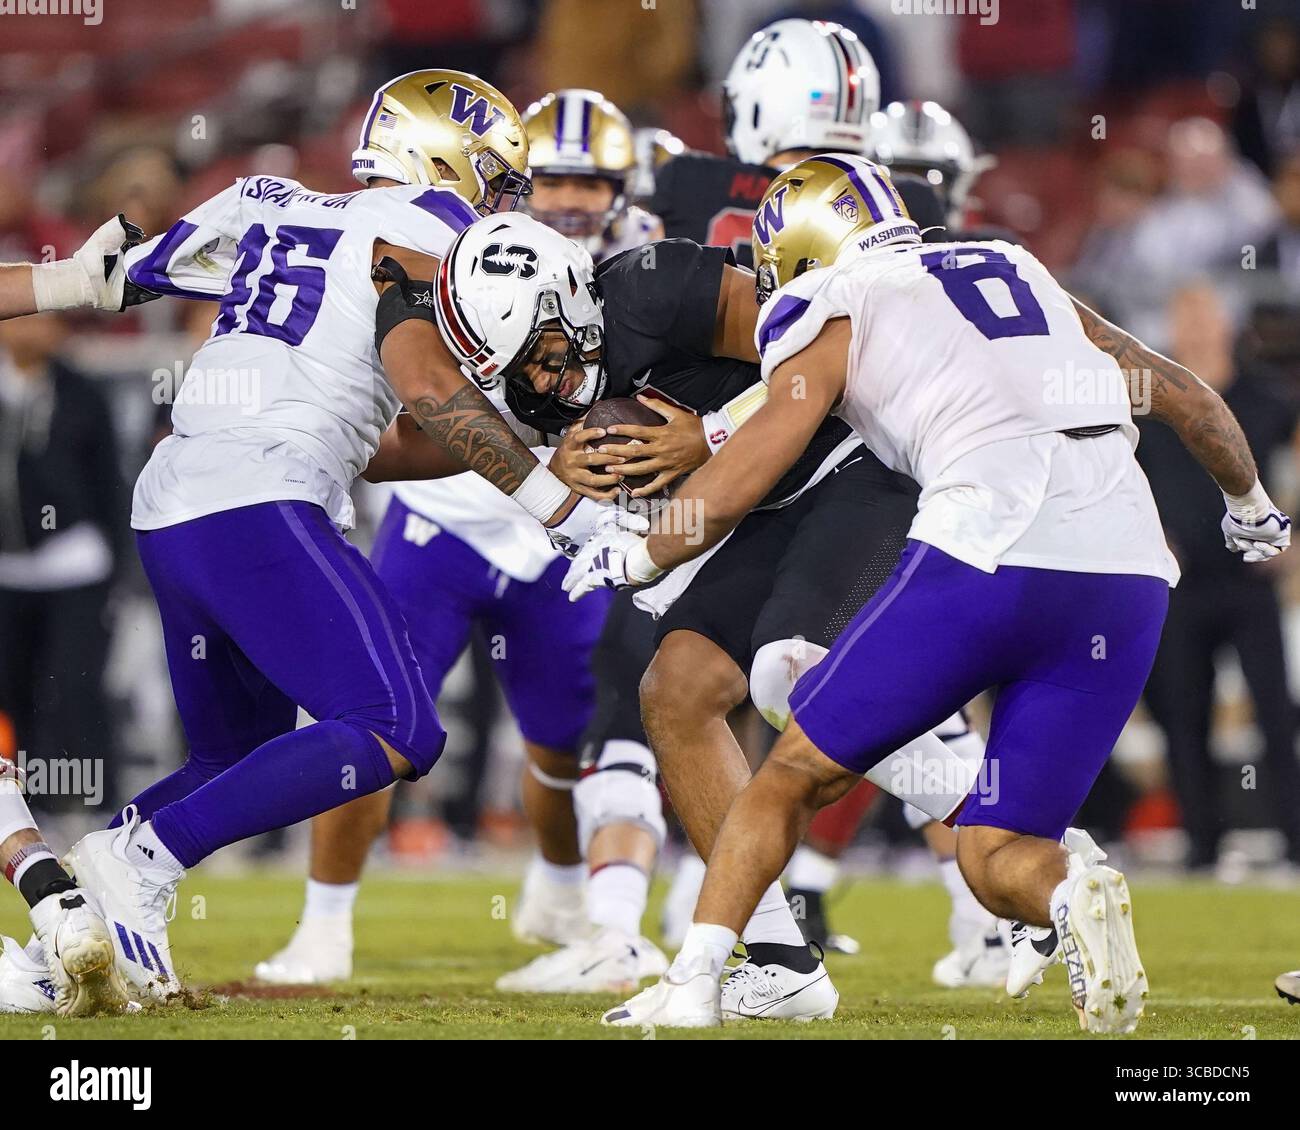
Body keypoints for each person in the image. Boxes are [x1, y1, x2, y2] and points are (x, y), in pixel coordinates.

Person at [567, 154, 1290, 1032]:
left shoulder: (831, 298)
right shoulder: (1014, 265)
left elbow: (752, 462)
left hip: (989, 552)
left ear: (799, 246)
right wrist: (1252, 507)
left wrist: (640, 555)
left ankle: (695, 986)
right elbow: (1179, 392)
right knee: (996, 852)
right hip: (1128, 579)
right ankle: (1071, 889)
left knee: (787, 771)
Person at [0, 69, 632, 1009]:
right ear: (448, 158)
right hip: (264, 496)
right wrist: (560, 505)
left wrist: (521, 438)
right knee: (398, 725)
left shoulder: (264, 202)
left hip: (176, 506)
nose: (504, 199)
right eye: (497, 175)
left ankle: (60, 952)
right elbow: (426, 387)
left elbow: (82, 279)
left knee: (231, 757)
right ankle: (139, 855)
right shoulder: (437, 238)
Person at [256, 88, 672, 995]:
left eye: (587, 182)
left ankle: (564, 892)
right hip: (444, 519)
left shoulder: (643, 264)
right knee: (366, 717)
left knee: (563, 745)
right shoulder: (451, 246)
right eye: (551, 179)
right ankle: (323, 925)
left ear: (621, 187)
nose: (565, 199)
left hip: (562, 542)